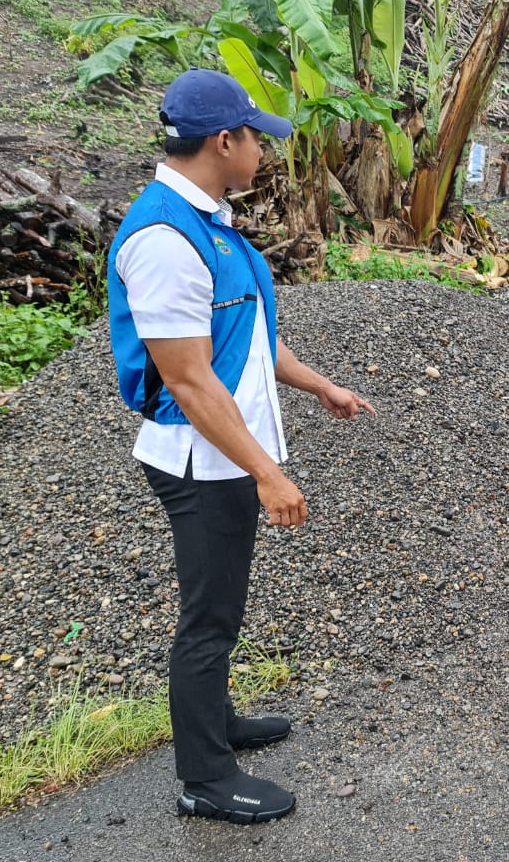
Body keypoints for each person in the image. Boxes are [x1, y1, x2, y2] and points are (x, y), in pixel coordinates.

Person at [107, 69, 376, 822]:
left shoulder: (210, 222)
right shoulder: (165, 238)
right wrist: (266, 472)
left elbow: (247, 340)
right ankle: (206, 779)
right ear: (223, 142)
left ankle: (217, 723)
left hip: (227, 455)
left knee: (220, 605)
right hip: (203, 462)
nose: (263, 149)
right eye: (256, 136)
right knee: (210, 618)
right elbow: (189, 382)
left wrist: (320, 386)